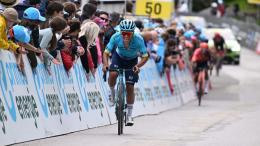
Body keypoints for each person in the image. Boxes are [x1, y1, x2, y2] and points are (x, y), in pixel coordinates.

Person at [102, 19, 149, 126]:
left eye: (129, 33)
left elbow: (145, 56)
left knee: (130, 86)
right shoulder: (116, 36)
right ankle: (112, 93)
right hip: (118, 57)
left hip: (132, 60)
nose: (126, 35)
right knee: (113, 74)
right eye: (124, 33)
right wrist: (105, 64)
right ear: (120, 31)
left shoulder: (138, 39)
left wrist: (138, 66)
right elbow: (106, 52)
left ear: (133, 32)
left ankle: (129, 115)